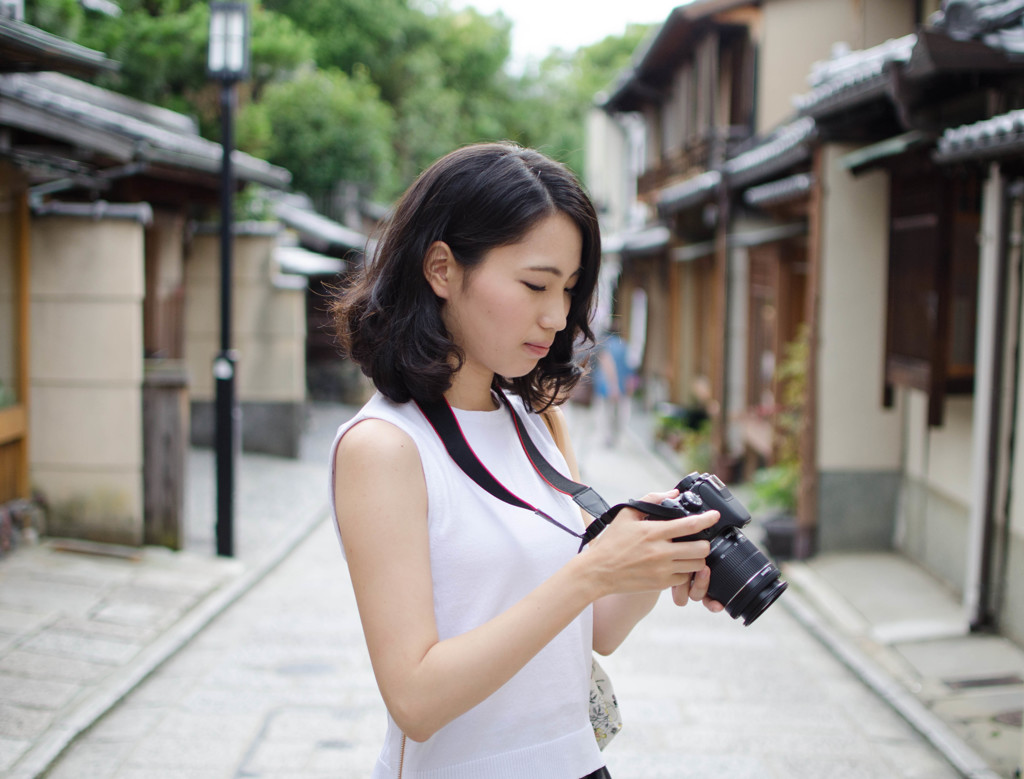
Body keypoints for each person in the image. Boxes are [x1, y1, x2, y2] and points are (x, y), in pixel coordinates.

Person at [329, 142, 724, 779]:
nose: (556, 315)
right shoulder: (385, 447)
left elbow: (596, 631)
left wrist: (654, 555)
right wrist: (593, 571)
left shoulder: (536, 421)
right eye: (535, 284)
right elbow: (415, 699)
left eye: (569, 289)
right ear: (441, 269)